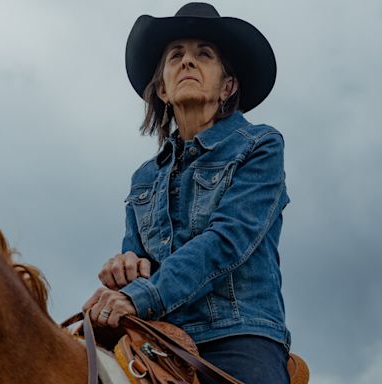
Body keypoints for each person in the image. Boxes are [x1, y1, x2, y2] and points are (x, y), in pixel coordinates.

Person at [83, 3, 291, 383]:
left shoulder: (261, 145)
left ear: (227, 85)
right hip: (155, 336)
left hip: (236, 335)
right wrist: (124, 270)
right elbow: (138, 262)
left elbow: (227, 240)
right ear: (162, 88)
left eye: (204, 55)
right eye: (176, 56)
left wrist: (141, 295)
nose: (188, 62)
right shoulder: (143, 179)